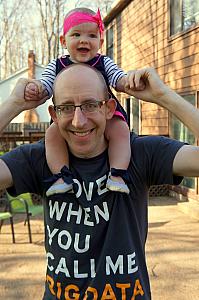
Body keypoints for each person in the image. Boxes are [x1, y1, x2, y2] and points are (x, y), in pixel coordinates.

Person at [1, 64, 199, 300]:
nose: (79, 121)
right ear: (54, 115)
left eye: (90, 105)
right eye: (66, 108)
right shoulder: (38, 159)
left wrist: (163, 96)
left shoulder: (140, 154)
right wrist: (14, 104)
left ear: (109, 108)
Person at [24, 7, 145, 197]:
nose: (84, 40)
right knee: (52, 135)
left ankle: (117, 173)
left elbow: (118, 79)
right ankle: (61, 176)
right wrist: (36, 88)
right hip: (68, 114)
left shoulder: (104, 62)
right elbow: (46, 86)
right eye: (76, 34)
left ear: (100, 42)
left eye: (91, 35)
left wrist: (131, 81)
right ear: (64, 41)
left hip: (103, 111)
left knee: (121, 130)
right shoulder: (57, 65)